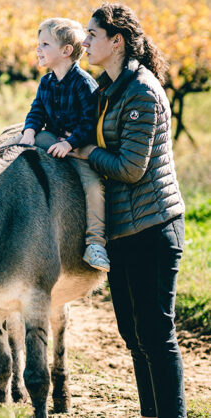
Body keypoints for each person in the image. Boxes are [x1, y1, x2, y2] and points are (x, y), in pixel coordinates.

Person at [71, 4, 186, 417]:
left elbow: (132, 169)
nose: (84, 42)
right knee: (134, 338)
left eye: (91, 34)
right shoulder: (108, 88)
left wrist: (87, 152)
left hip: (154, 228)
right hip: (124, 231)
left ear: (115, 41)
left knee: (156, 336)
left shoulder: (140, 90)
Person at [9, 17, 110, 272]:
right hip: (51, 139)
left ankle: (96, 243)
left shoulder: (83, 83)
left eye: (45, 44)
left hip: (81, 146)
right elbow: (37, 111)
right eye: (38, 43)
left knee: (94, 187)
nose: (38, 49)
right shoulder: (46, 82)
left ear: (66, 51)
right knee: (15, 148)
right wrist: (30, 132)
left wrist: (71, 144)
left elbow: (90, 123)